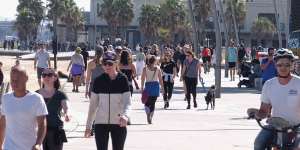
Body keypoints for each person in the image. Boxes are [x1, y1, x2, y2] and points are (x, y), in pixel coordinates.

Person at [254, 49, 300, 150]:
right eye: (280, 65)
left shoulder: (298, 83)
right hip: (275, 126)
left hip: (296, 127)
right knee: (258, 143)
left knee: (297, 147)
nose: (283, 68)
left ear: (292, 65)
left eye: (287, 65)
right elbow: (264, 110)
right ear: (275, 65)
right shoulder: (269, 84)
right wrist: (257, 114)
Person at [84, 51, 131, 150]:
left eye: (110, 63)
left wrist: (126, 116)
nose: (107, 66)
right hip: (100, 123)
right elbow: (93, 106)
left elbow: (127, 102)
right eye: (104, 63)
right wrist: (88, 126)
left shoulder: (123, 79)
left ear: (116, 63)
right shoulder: (98, 81)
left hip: (118, 122)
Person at [0, 66, 48, 150]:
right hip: (9, 147)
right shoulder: (5, 98)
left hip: (30, 147)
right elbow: (2, 124)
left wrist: (38, 143)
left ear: (26, 79)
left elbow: (42, 124)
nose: (14, 83)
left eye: (17, 80)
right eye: (12, 80)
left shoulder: (36, 99)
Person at [36, 68, 70, 150]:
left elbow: (66, 106)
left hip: (55, 131)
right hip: (39, 132)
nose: (46, 77)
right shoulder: (36, 94)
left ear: (55, 78)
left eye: (49, 75)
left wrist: (67, 114)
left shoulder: (60, 94)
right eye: (44, 75)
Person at [141, 55, 164, 124]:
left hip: (148, 86)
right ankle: (150, 116)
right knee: (153, 103)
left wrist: (142, 87)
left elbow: (142, 78)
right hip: (155, 86)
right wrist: (162, 88)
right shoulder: (158, 69)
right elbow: (160, 79)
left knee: (147, 103)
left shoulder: (145, 68)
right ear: (154, 61)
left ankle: (148, 114)